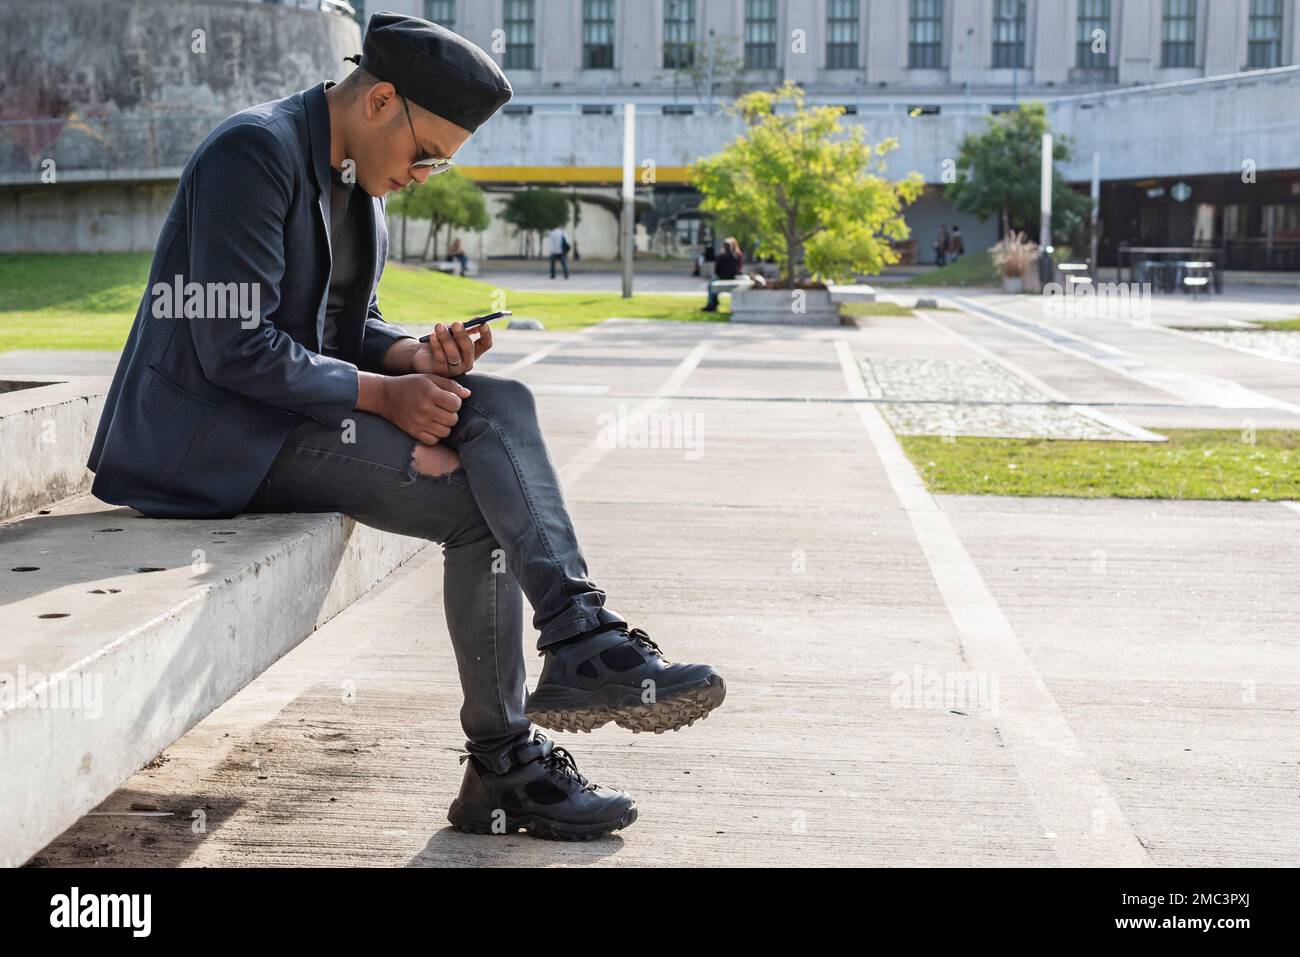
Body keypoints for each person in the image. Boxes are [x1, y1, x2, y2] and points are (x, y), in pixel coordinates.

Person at [86, 12, 725, 841]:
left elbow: (352, 327)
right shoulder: (254, 153)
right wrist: (385, 398)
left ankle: (577, 637)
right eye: (429, 154)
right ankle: (511, 754)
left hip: (285, 420)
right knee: (480, 502)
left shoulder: (356, 179)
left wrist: (419, 355)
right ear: (382, 99)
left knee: (504, 406)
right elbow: (233, 346)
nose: (427, 175)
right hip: (206, 441)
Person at [701, 236, 742, 311]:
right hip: (724, 276)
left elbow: (717, 269)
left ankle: (713, 303)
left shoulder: (735, 255)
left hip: (731, 276)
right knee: (711, 284)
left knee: (712, 283)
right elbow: (717, 269)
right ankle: (712, 302)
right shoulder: (724, 255)